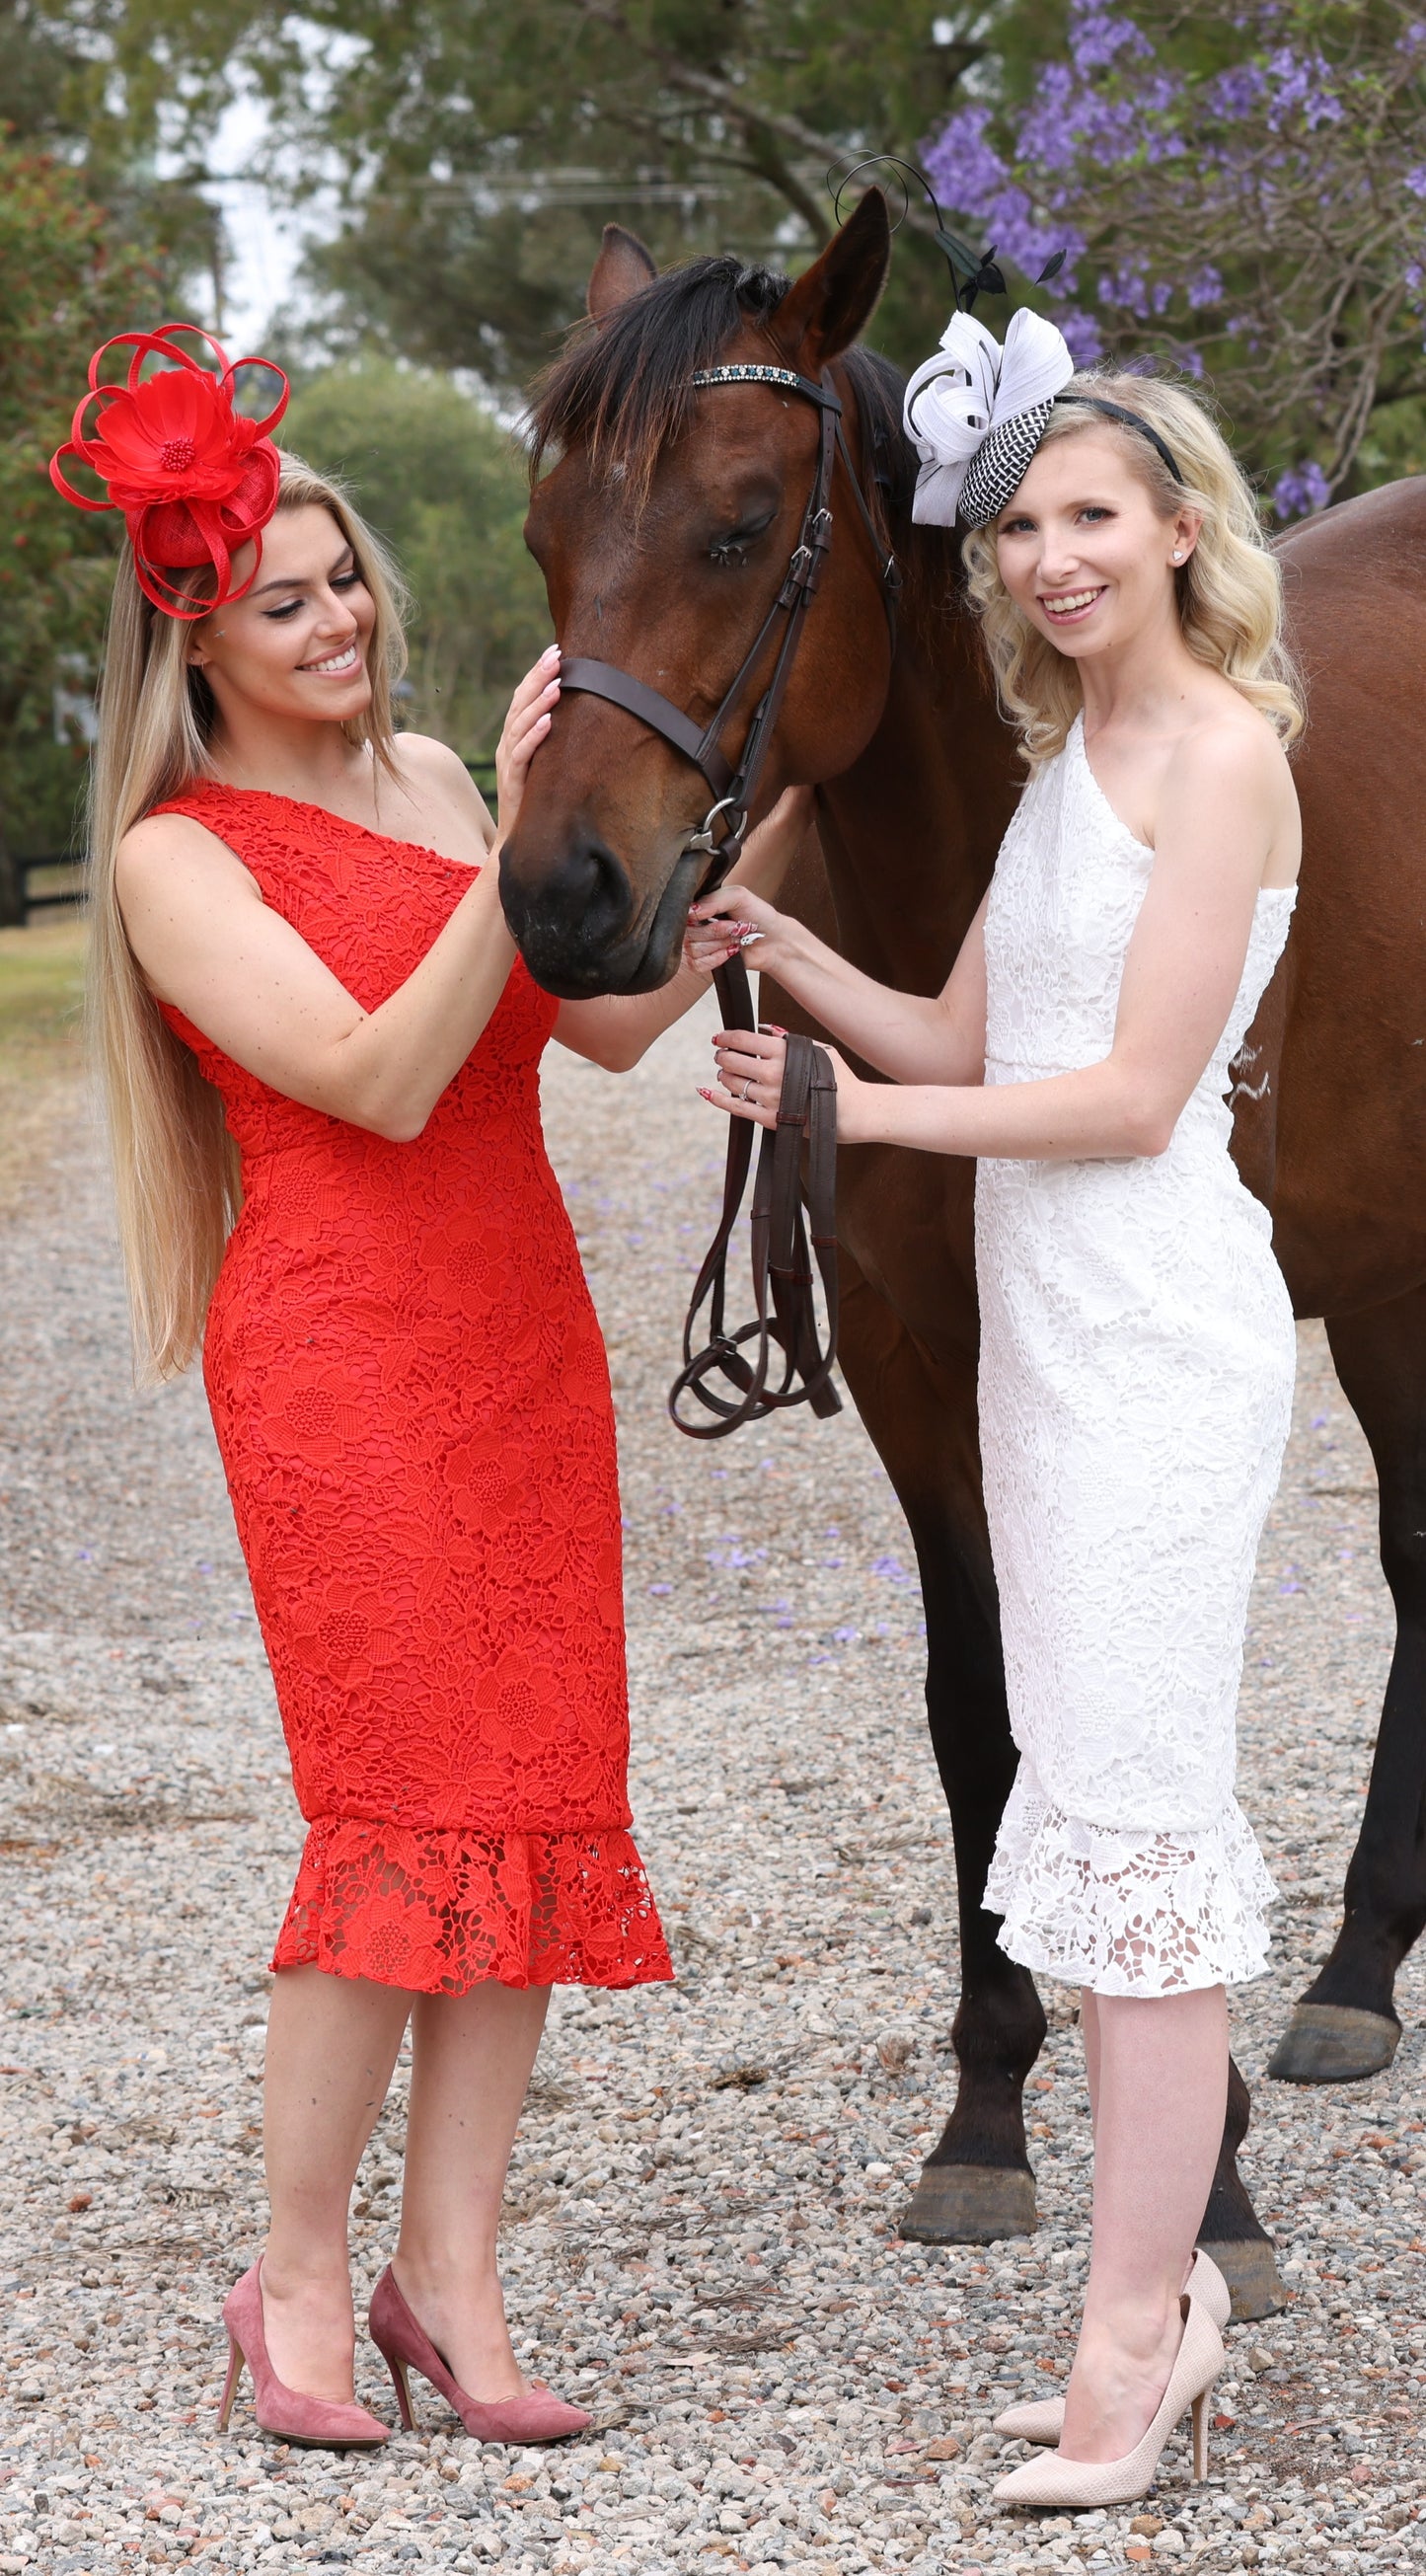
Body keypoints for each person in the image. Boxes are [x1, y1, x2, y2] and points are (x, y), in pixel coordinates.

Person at [51, 324, 801, 2450]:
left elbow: (594, 1031)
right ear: (194, 641)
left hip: (516, 1332)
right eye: (280, 598)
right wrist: (511, 842)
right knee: (395, 1816)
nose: (336, 618)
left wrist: (732, 871)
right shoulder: (173, 857)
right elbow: (380, 1082)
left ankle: (449, 2285)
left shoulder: (442, 786)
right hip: (342, 1361)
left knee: (538, 1815)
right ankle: (290, 2278)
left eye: (346, 578)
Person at [686, 306, 1304, 2509]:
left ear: (1177, 529)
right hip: (1054, 1364)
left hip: (1152, 1341)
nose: (1050, 556)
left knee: (1143, 1855)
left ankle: (1133, 2340)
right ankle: (1165, 2306)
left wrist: (854, 1124)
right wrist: (785, 967)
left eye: (1091, 516)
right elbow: (957, 1031)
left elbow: (1134, 1100)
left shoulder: (1219, 755)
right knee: (1104, 1819)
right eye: (1022, 524)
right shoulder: (1065, 772)